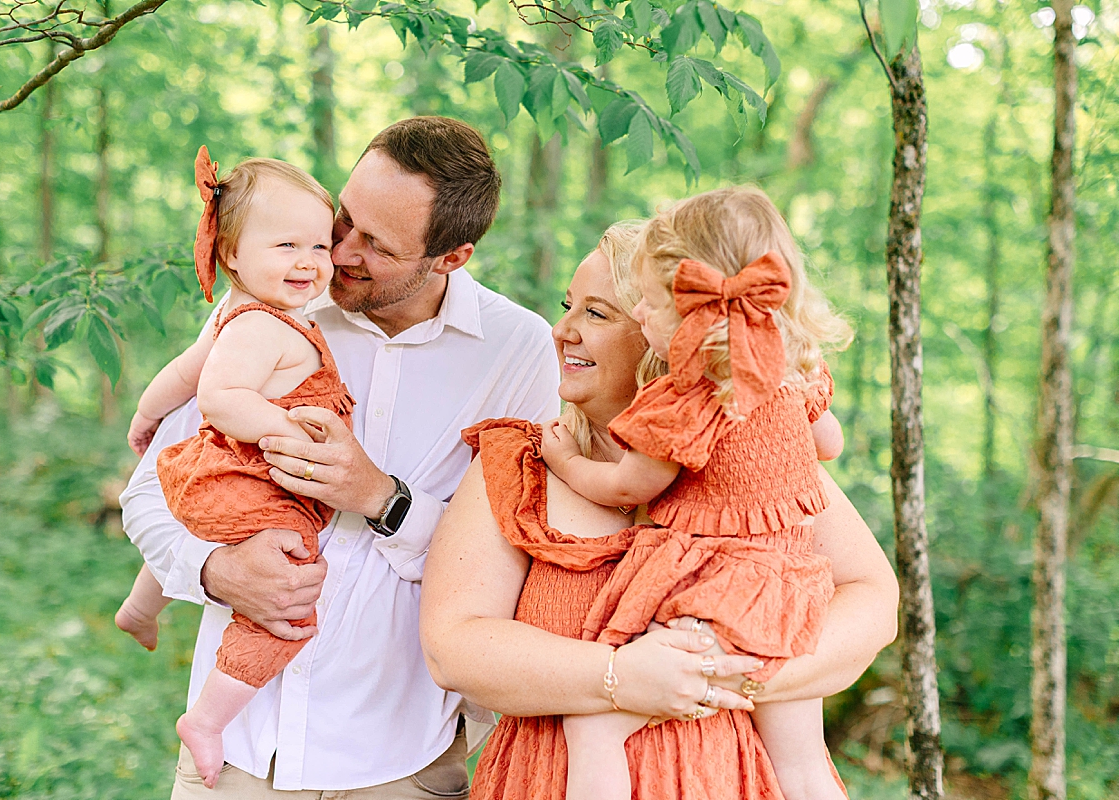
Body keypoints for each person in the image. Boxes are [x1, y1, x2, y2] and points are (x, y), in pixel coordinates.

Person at [120, 117, 563, 797]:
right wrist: (214, 569)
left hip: (396, 759)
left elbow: (514, 557)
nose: (338, 251)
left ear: (451, 258)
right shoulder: (276, 300)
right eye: (343, 218)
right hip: (237, 755)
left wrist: (382, 499)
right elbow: (150, 492)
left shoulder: (516, 351)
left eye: (375, 245)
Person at [419, 221, 900, 799]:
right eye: (568, 306)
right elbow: (454, 648)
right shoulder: (522, 463)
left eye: (597, 314)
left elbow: (874, 601)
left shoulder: (753, 459)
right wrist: (619, 679)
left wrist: (725, 672)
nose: (561, 330)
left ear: (666, 333)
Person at [540, 189, 851, 800]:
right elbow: (830, 442)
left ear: (697, 313)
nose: (647, 320)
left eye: (653, 307)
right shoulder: (792, 373)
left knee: (594, 727)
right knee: (803, 762)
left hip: (722, 599)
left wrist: (567, 461)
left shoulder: (687, 398)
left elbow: (630, 484)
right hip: (795, 590)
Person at [118, 147, 362, 787]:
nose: (309, 262)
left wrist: (146, 417)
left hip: (205, 477)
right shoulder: (264, 328)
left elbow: (183, 373)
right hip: (249, 480)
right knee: (286, 601)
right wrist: (289, 431)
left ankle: (142, 606)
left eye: (319, 244)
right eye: (285, 245)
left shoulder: (230, 317)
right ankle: (207, 718)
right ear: (231, 254)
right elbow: (218, 398)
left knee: (205, 522)